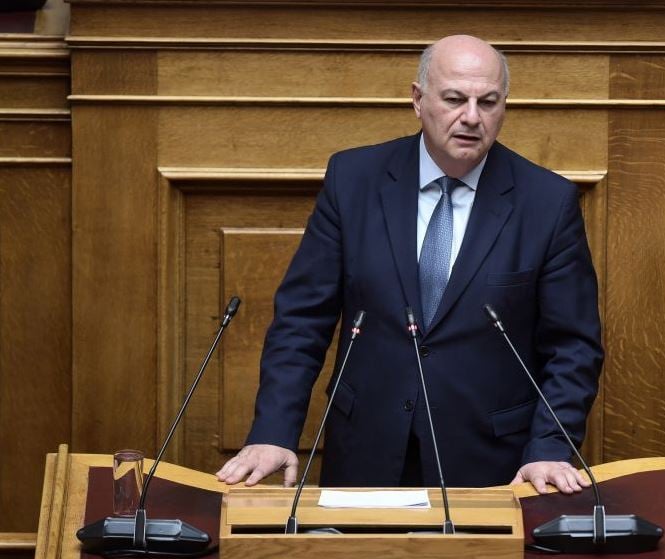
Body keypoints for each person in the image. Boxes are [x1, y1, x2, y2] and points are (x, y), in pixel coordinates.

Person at [217, 34, 603, 495]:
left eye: (488, 102)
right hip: (366, 450)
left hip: (491, 463)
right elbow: (302, 320)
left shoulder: (547, 201)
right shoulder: (353, 180)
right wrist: (274, 432)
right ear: (418, 100)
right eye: (455, 99)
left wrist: (550, 446)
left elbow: (573, 346)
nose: (472, 117)